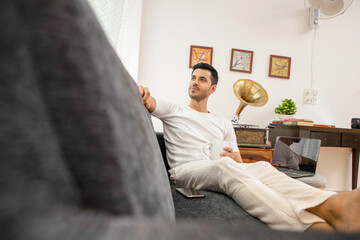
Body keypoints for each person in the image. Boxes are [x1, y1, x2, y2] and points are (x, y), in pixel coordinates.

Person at [138, 62, 360, 232]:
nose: (195, 82)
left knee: (263, 169)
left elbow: (238, 161)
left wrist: (232, 157)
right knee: (224, 167)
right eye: (193, 78)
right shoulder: (174, 110)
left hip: (220, 166)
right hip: (186, 171)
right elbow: (148, 100)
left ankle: (332, 202)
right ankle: (308, 226)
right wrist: (141, 91)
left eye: (202, 79)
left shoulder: (223, 123)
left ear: (212, 88)